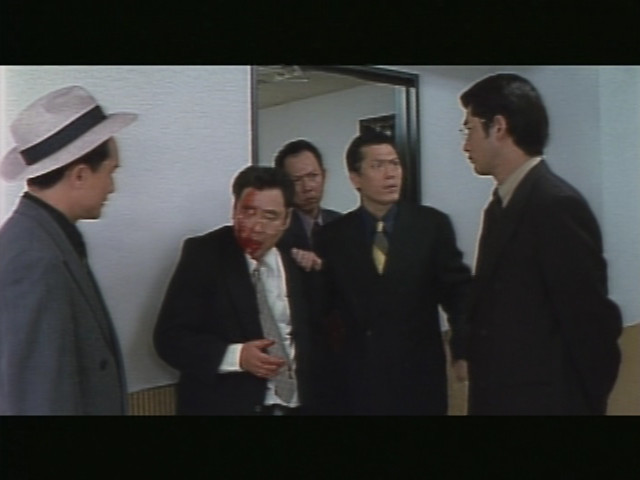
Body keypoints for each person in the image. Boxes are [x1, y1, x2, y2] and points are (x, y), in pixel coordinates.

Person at [458, 73, 622, 415]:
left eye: (469, 129)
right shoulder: (500, 205)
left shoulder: (554, 205)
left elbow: (591, 324)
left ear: (498, 127)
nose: (466, 145)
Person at [315, 128, 472, 415]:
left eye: (395, 164)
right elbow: (322, 309)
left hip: (417, 374)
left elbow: (459, 294)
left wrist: (462, 349)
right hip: (357, 378)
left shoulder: (431, 225)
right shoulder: (332, 236)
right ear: (355, 178)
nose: (391, 174)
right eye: (378, 166)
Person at [0, 85, 137, 414]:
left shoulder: (41, 239)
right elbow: (38, 399)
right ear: (79, 175)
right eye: (110, 172)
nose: (112, 187)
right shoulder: (34, 259)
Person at [154, 165, 324, 415]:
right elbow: (170, 339)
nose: (256, 227)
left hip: (296, 405)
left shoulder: (296, 256)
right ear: (234, 210)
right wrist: (237, 356)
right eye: (248, 212)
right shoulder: (204, 254)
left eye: (270, 216)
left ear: (287, 219)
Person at [274, 139, 341, 255]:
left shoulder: (340, 223)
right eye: (296, 180)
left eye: (313, 176)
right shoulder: (278, 231)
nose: (307, 187)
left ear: (324, 175)